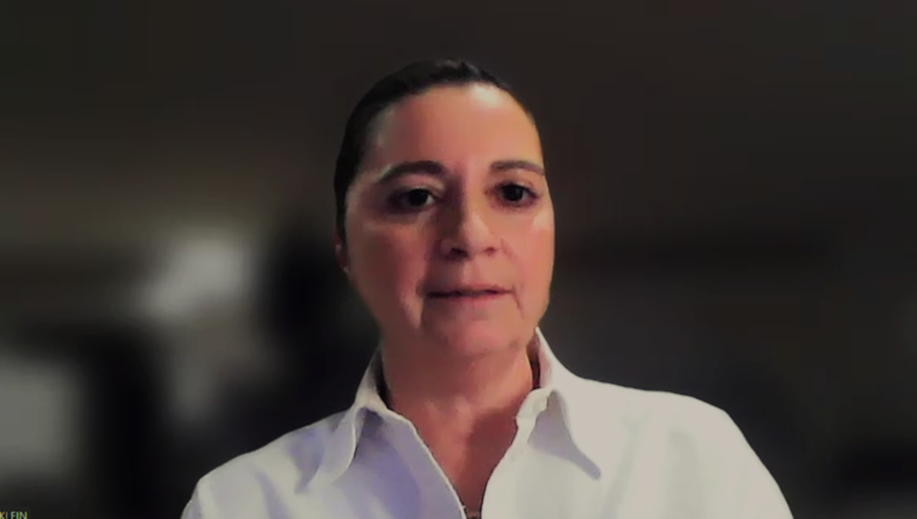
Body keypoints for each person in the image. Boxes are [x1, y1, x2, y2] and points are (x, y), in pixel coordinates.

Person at [180, 58, 793, 519]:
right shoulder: (241, 504)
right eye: (415, 198)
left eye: (513, 193)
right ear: (342, 244)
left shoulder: (693, 460)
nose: (471, 235)